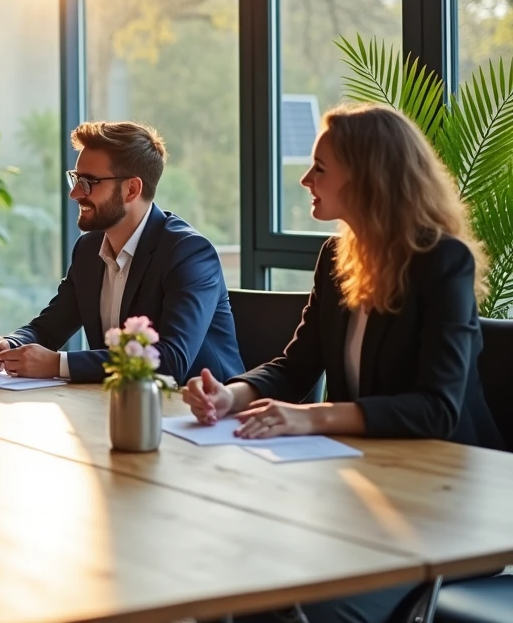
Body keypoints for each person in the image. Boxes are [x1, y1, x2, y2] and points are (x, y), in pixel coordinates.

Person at [182, 104, 503, 623]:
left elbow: (436, 410)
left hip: (448, 504)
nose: (306, 179)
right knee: (238, 579)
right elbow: (296, 362)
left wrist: (312, 416)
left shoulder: (443, 263)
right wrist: (230, 395)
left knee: (302, 607)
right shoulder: (337, 258)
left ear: (369, 178)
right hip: (362, 485)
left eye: (321, 168)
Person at [0, 121, 243, 385]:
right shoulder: (89, 249)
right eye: (76, 179)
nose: (75, 194)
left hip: (205, 416)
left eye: (89, 182)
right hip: (117, 406)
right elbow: (48, 329)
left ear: (132, 189)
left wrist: (58, 364)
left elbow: (171, 360)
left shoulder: (188, 253)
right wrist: (10, 344)